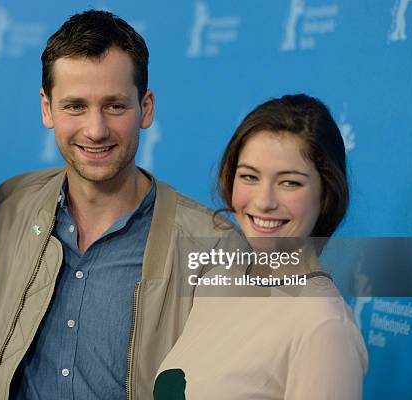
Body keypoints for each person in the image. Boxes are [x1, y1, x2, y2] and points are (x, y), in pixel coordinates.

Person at [0, 9, 243, 400]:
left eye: (115, 106)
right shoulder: (12, 204)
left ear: (145, 108)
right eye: (75, 106)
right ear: (47, 108)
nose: (96, 129)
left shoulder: (213, 246)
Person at [155, 94, 368, 399]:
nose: (264, 202)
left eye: (290, 182)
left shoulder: (324, 325)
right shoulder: (216, 283)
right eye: (250, 177)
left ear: (326, 194)